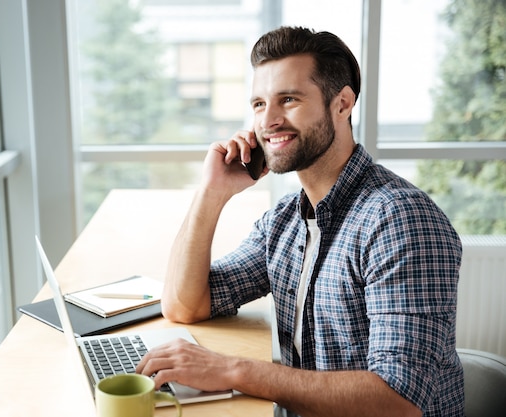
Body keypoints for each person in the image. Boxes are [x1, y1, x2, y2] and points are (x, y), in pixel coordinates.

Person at [136, 26, 464, 417]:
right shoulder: (287, 219)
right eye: (258, 104)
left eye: (288, 99)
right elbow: (186, 305)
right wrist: (212, 193)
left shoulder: (399, 221)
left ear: (342, 104)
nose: (268, 120)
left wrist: (232, 370)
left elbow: (398, 400)